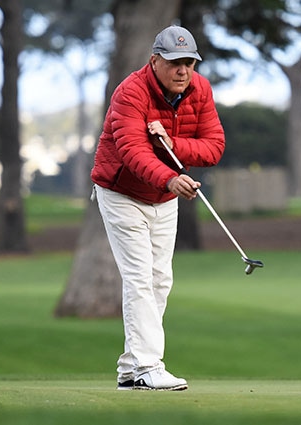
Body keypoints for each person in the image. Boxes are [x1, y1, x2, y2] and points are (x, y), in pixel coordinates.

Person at [90, 25, 225, 391]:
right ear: (154, 61)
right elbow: (133, 152)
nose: (183, 70)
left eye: (189, 62)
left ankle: (131, 368)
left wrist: (172, 144)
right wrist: (169, 178)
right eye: (174, 62)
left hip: (164, 197)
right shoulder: (130, 93)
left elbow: (213, 147)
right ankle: (150, 366)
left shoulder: (200, 90)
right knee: (139, 278)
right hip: (121, 192)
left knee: (160, 279)